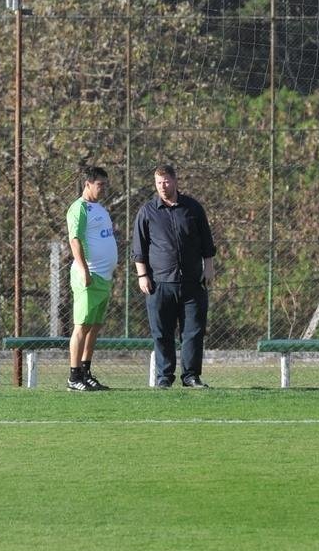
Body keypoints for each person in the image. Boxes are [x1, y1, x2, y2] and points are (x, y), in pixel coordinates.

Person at [132, 164, 217, 388]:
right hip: (159, 283)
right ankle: (164, 377)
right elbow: (139, 248)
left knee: (193, 332)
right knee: (162, 333)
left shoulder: (193, 208)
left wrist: (208, 268)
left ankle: (191, 376)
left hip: (192, 282)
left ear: (175, 181)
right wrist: (142, 276)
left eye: (166, 181)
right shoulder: (147, 212)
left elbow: (207, 242)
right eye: (159, 182)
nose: (163, 186)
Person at [66, 166, 118, 392]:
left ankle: (86, 373)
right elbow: (75, 240)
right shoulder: (79, 208)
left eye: (105, 184)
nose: (103, 188)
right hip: (88, 277)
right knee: (81, 326)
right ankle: (73, 376)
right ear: (88, 184)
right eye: (100, 184)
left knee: (94, 327)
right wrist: (84, 270)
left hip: (103, 278)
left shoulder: (100, 209)